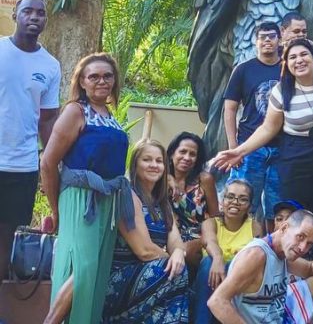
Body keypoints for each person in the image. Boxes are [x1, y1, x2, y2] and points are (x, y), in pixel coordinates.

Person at [213, 38, 313, 253]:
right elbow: (268, 128)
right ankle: (295, 257)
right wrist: (239, 151)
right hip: (297, 153)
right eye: (292, 57)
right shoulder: (281, 90)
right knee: (295, 208)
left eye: (304, 54)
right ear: (286, 63)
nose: (299, 60)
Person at [41, 53, 131, 324]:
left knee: (97, 273)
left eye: (107, 76)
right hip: (80, 200)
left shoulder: (110, 116)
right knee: (82, 268)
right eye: (94, 76)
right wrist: (56, 210)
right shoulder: (76, 111)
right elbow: (48, 163)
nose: (102, 81)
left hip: (107, 202)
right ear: (82, 81)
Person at [0, 0, 60, 280]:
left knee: (5, 238)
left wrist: (53, 160)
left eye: (40, 13)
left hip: (22, 166)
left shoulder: (50, 65)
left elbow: (47, 120)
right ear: (15, 15)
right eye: (27, 11)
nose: (34, 17)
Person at [102, 139, 189, 323]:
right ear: (135, 164)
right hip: (117, 279)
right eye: (147, 159)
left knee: (177, 270)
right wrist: (171, 258)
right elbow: (144, 251)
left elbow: (175, 240)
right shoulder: (127, 194)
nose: (154, 165)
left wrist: (178, 253)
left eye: (159, 161)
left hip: (149, 275)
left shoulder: (162, 203)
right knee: (175, 271)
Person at [208, 210, 313, 324]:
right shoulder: (256, 255)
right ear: (284, 228)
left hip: (277, 318)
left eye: (309, 244)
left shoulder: (283, 253)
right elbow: (217, 301)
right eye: (300, 237)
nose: (303, 248)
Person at [224, 21, 283, 230]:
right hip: (249, 147)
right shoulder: (243, 70)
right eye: (262, 37)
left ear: (279, 40)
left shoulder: (287, 69)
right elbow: (230, 109)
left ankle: (272, 245)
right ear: (255, 41)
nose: (267, 40)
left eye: (272, 36)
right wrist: (233, 147)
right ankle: (236, 243)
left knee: (278, 206)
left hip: (282, 147)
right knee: (241, 201)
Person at [194, 180, 263, 324]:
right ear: (222, 201)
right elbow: (209, 241)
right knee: (208, 262)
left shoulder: (254, 227)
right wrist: (218, 258)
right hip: (208, 282)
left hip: (237, 286)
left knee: (236, 264)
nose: (235, 202)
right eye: (230, 197)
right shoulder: (211, 223)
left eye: (243, 199)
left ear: (250, 206)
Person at [167, 132, 219, 267]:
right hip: (170, 235)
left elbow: (216, 217)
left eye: (192, 154)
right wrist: (168, 178)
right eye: (182, 152)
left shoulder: (204, 180)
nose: (187, 157)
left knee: (186, 252)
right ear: (172, 154)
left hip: (200, 236)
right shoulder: (162, 180)